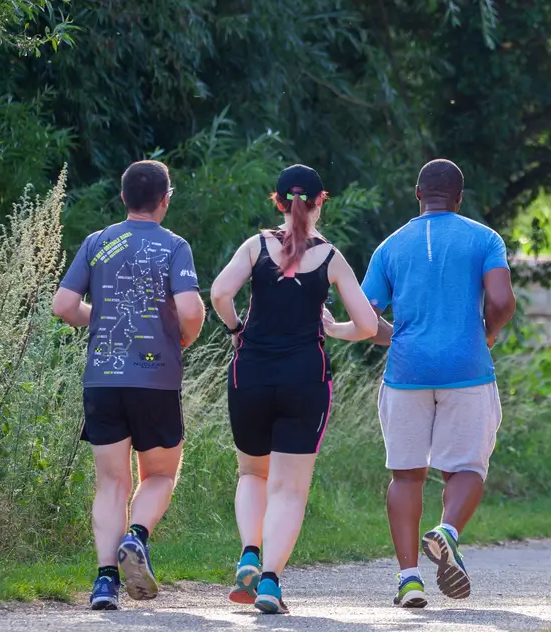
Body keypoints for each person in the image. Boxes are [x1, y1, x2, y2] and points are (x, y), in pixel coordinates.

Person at [330, 158, 515, 609]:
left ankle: (409, 580)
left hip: (406, 373)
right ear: (459, 198)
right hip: (467, 369)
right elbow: (501, 300)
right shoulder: (485, 239)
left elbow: (366, 320)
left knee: (406, 473)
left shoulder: (390, 246)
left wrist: (398, 336)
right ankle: (447, 531)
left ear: (418, 195)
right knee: (466, 468)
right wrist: (487, 333)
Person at [210, 164, 377, 615]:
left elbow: (220, 293)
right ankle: (269, 582)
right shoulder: (331, 258)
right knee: (289, 489)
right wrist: (334, 329)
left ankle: (249, 554)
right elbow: (366, 326)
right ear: (321, 202)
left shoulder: (255, 246)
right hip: (305, 379)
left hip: (250, 374)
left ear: (279, 202)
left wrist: (236, 329)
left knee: (252, 474)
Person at [53, 160, 205, 610]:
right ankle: (136, 536)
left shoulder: (97, 242)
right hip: (156, 379)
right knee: (159, 474)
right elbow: (190, 310)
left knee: (111, 483)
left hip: (102, 379)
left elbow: (63, 306)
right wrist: (182, 339)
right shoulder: (174, 246)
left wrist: (99, 317)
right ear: (165, 199)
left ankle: (105, 583)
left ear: (123, 197)